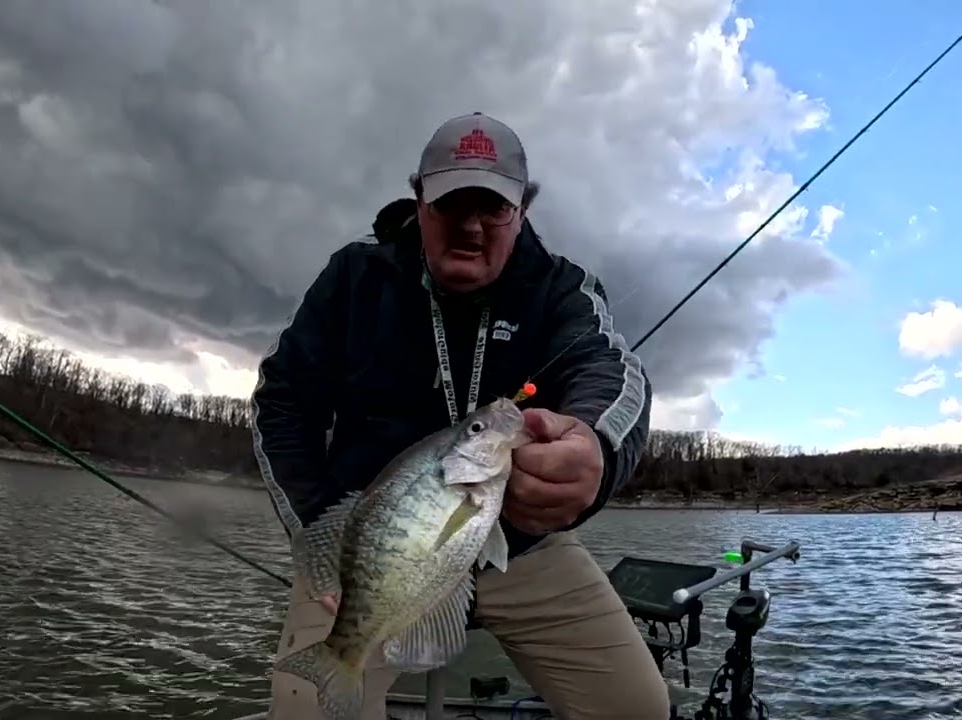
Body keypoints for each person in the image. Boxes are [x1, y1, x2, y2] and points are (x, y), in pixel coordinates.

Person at [250, 112, 669, 720]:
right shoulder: (354, 276)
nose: (471, 226)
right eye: (450, 204)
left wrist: (595, 451)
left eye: (493, 208)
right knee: (308, 709)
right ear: (419, 200)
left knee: (638, 708)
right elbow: (281, 401)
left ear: (521, 211)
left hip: (520, 543)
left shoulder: (563, 290)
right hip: (370, 553)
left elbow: (612, 375)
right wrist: (321, 533)